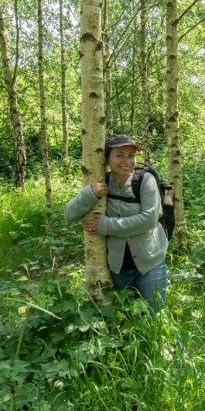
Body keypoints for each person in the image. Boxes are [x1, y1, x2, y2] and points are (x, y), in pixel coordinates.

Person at [65, 134, 168, 313]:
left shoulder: (145, 180)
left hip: (151, 263)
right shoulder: (102, 182)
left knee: (156, 318)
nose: (126, 161)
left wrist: (105, 225)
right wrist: (90, 193)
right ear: (107, 158)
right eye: (119, 155)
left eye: (131, 155)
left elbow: (149, 219)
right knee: (130, 318)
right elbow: (69, 214)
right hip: (119, 268)